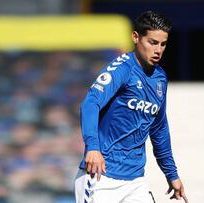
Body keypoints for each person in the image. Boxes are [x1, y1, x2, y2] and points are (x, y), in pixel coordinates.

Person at [75, 10, 188, 203]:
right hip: (102, 177)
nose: (158, 50)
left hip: (136, 181)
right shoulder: (122, 68)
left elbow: (159, 128)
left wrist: (171, 174)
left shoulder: (160, 78)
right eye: (152, 42)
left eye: (163, 44)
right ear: (136, 37)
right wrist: (92, 147)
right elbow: (90, 103)